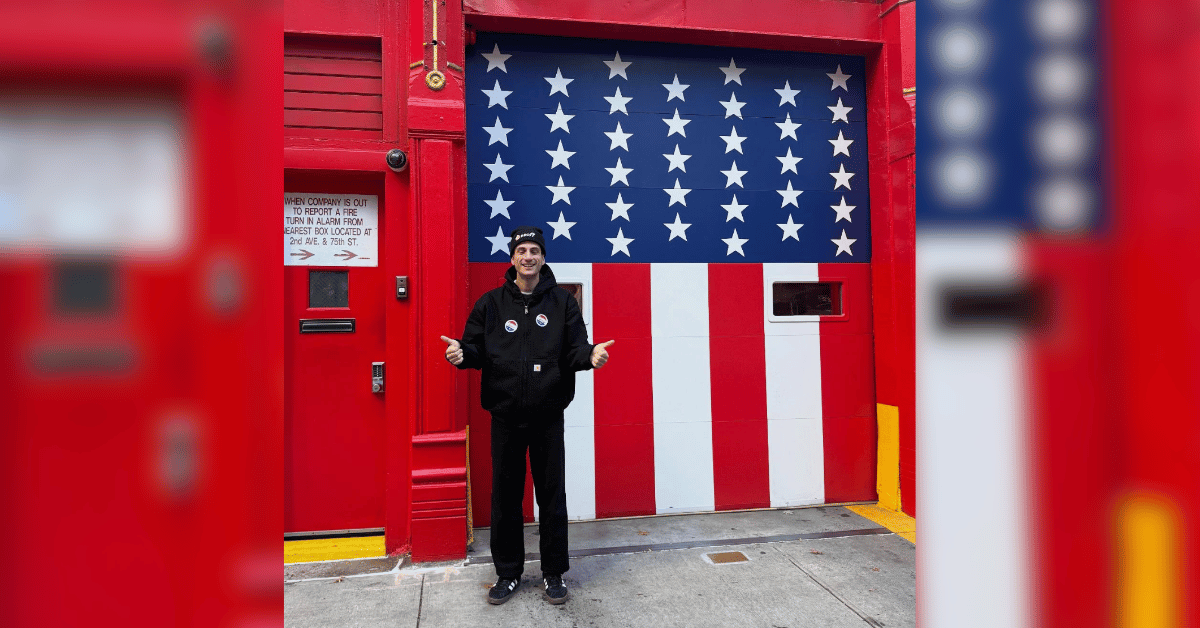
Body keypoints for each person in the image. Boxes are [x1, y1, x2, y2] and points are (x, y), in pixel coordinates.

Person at [441, 226, 614, 606]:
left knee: (551, 495)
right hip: (505, 416)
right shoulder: (491, 303)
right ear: (513, 258)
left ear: (543, 258)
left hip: (548, 416)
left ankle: (554, 572)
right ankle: (507, 573)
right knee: (505, 497)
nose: (528, 257)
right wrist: (462, 355)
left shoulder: (562, 303)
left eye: (535, 250)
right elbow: (474, 348)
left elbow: (575, 349)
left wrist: (590, 356)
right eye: (522, 251)